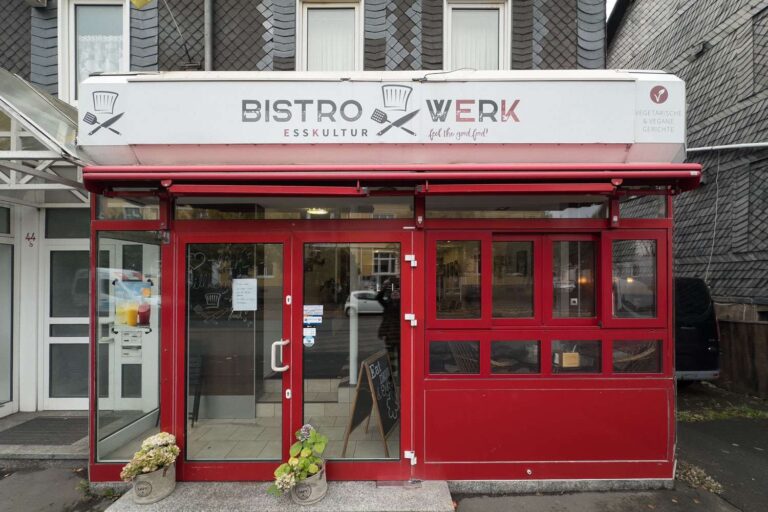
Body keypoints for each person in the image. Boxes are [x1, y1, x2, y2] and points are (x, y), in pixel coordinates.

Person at [376, 278, 401, 378]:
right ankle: (392, 375)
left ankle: (400, 376)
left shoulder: (404, 304)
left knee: (401, 357)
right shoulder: (387, 304)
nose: (395, 293)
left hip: (400, 336)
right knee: (391, 357)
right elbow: (378, 298)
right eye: (393, 292)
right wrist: (384, 287)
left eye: (397, 292)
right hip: (390, 336)